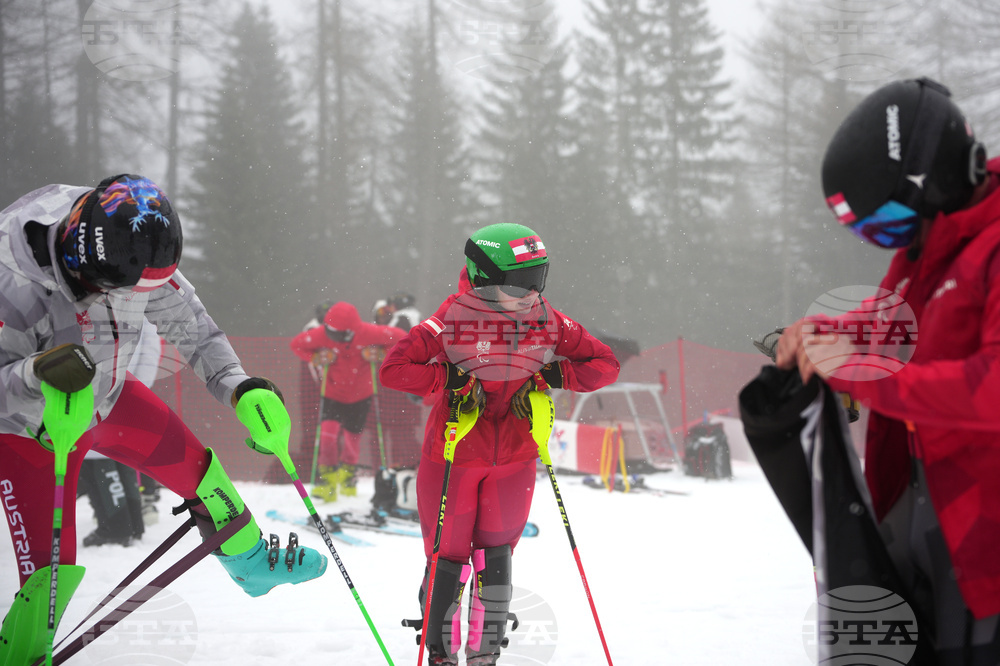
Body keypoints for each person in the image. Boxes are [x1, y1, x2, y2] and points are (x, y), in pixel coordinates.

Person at [0, 174, 327, 665]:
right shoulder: (14, 284)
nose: (137, 296)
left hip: (105, 397)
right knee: (50, 580)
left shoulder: (135, 240)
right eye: (124, 290)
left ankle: (252, 564)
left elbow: (194, 328)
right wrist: (35, 374)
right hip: (27, 431)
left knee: (205, 475)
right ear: (83, 264)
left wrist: (240, 388)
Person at [775, 78, 1000, 662]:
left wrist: (864, 374)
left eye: (892, 223)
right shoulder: (926, 247)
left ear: (939, 177)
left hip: (985, 540)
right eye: (873, 233)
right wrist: (820, 336)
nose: (893, 241)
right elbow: (888, 327)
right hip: (921, 509)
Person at [380, 223, 620, 666]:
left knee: (497, 561)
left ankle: (485, 654)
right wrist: (447, 378)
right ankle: (440, 653)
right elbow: (395, 369)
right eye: (521, 284)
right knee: (448, 559)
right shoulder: (453, 317)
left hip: (516, 459)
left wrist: (557, 374)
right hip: (454, 457)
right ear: (484, 279)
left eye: (539, 280)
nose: (532, 294)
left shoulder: (546, 319)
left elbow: (605, 364)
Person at [289, 301, 405, 501]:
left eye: (337, 333)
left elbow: (402, 339)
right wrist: (316, 357)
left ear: (351, 331)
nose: (331, 336)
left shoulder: (368, 332)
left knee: (353, 439)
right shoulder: (323, 334)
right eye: (329, 330)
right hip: (333, 393)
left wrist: (381, 354)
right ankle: (327, 479)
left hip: (361, 396)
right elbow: (297, 345)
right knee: (327, 436)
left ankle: (348, 476)